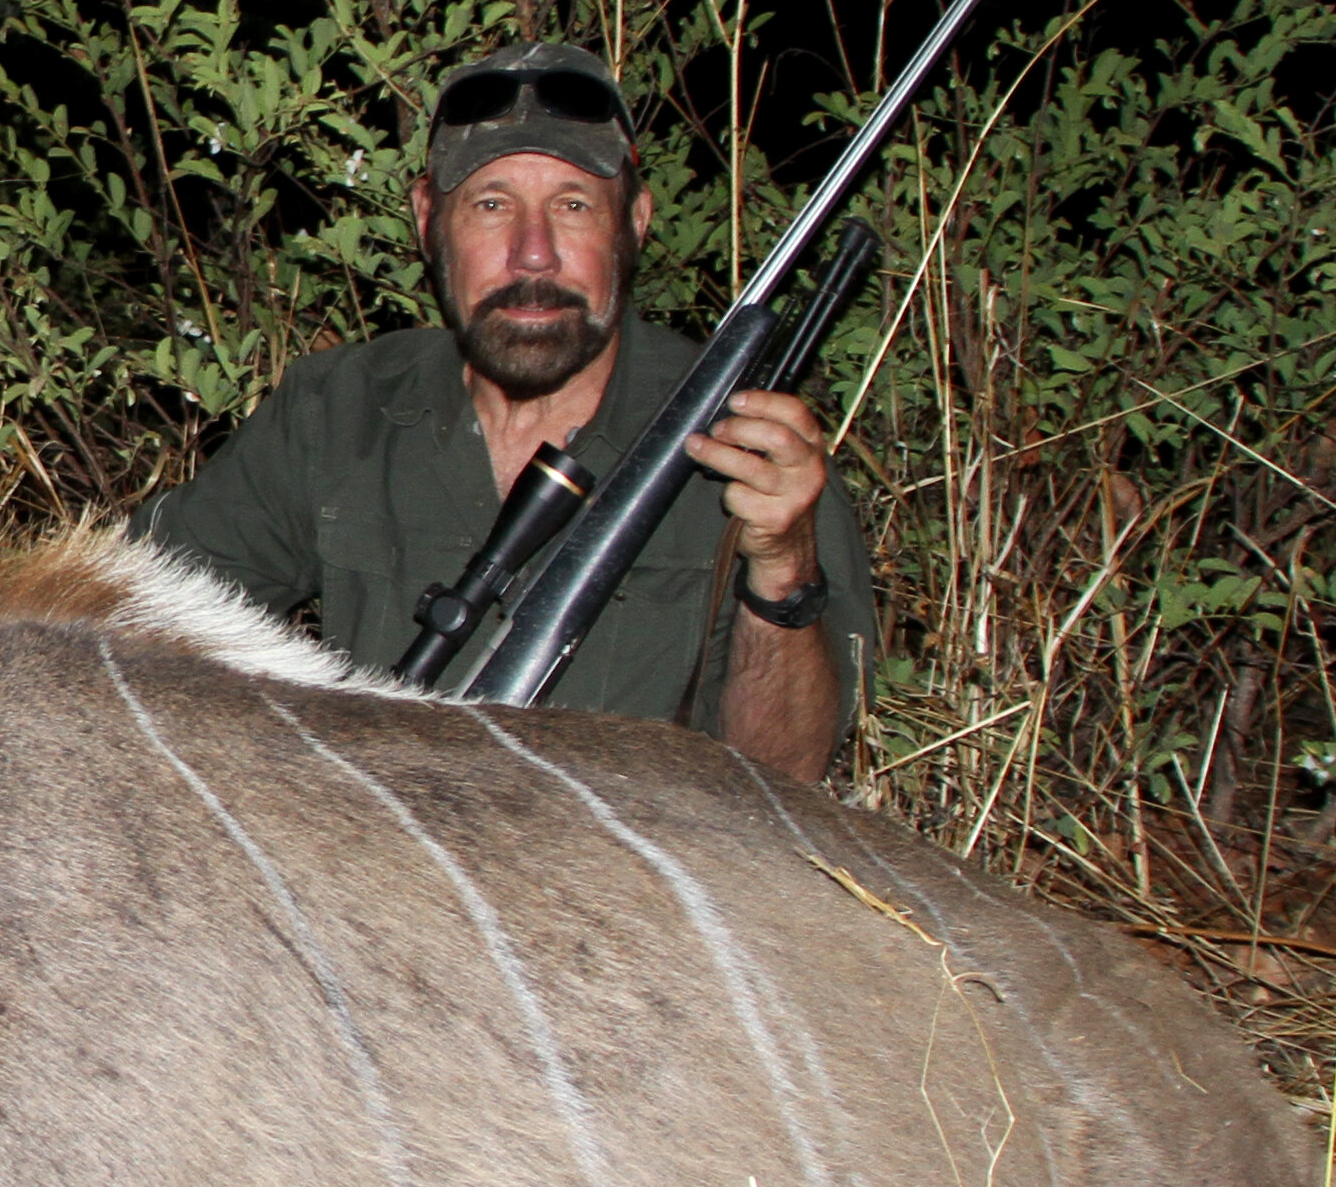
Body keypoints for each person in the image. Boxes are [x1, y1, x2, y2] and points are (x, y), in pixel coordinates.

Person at [136, 41, 876, 784]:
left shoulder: (750, 448)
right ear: (429, 219)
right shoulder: (338, 407)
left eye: (574, 205)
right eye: (492, 205)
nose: (533, 255)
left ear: (635, 222)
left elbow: (787, 777)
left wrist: (782, 572)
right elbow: (134, 614)